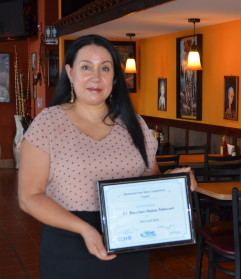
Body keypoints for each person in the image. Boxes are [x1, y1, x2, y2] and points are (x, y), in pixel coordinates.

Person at [18, 34, 197, 279]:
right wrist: (84, 229)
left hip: (129, 245)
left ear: (114, 78)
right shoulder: (48, 123)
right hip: (69, 247)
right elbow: (29, 197)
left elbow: (149, 180)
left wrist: (174, 182)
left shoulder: (134, 124)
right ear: (70, 73)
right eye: (85, 67)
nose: (96, 77)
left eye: (105, 68)